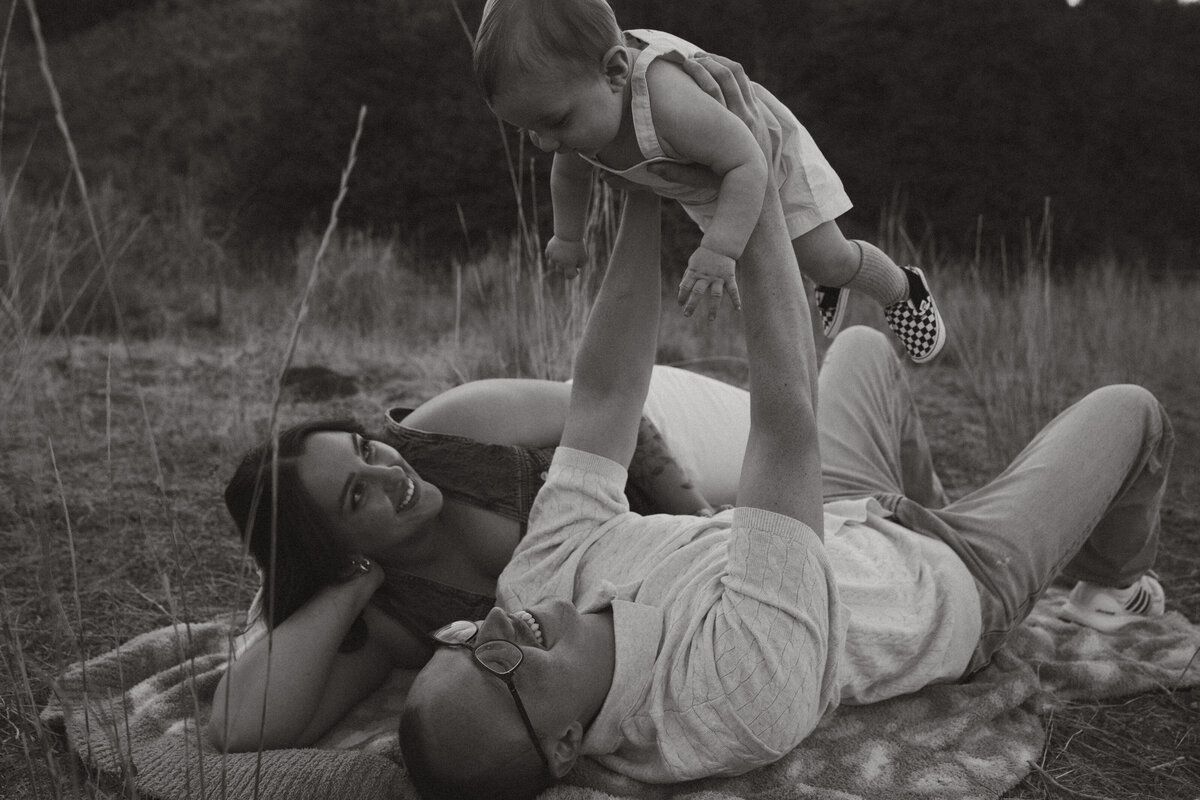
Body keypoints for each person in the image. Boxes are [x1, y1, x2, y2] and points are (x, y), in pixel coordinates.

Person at [397, 59, 1172, 800]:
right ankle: (1110, 587)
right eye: (498, 661)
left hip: (840, 513)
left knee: (866, 345)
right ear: (565, 745)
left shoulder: (535, 587)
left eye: (465, 636)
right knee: (1133, 411)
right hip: (952, 578)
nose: (497, 623)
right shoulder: (728, 701)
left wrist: (634, 175)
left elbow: (602, 395)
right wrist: (754, 178)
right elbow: (782, 423)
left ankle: (939, 492)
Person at [208, 361, 755, 752]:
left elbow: (615, 406)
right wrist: (349, 585)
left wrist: (704, 519)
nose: (390, 475)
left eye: (367, 449)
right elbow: (237, 728)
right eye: (357, 495)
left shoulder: (449, 432)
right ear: (333, 549)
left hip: (667, 446)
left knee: (805, 440)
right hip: (669, 543)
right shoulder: (391, 619)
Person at [472, 0, 947, 364]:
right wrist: (567, 235)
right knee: (775, 268)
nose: (545, 143)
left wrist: (718, 250)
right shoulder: (579, 114)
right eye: (528, 129)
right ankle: (822, 281)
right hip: (711, 180)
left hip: (764, 159)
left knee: (826, 258)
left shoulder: (669, 104)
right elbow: (569, 171)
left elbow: (748, 164)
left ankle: (901, 288)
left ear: (616, 71)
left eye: (555, 122)